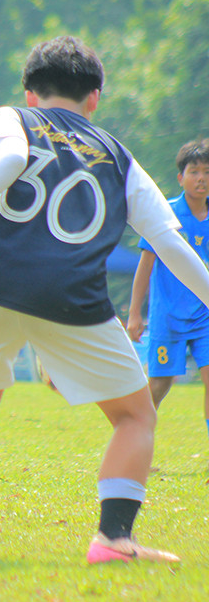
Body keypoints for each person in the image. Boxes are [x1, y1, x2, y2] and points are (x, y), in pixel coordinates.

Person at [0, 36, 209, 564]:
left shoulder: (11, 117)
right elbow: (170, 243)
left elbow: (11, 157)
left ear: (30, 93)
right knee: (135, 416)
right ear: (95, 98)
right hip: (71, 298)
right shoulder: (123, 160)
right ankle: (113, 538)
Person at [127, 139, 209, 427]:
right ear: (181, 177)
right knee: (159, 385)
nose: (202, 178)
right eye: (195, 171)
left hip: (206, 316)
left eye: (208, 172)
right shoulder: (165, 214)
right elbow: (145, 266)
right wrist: (135, 314)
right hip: (168, 315)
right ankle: (134, 441)